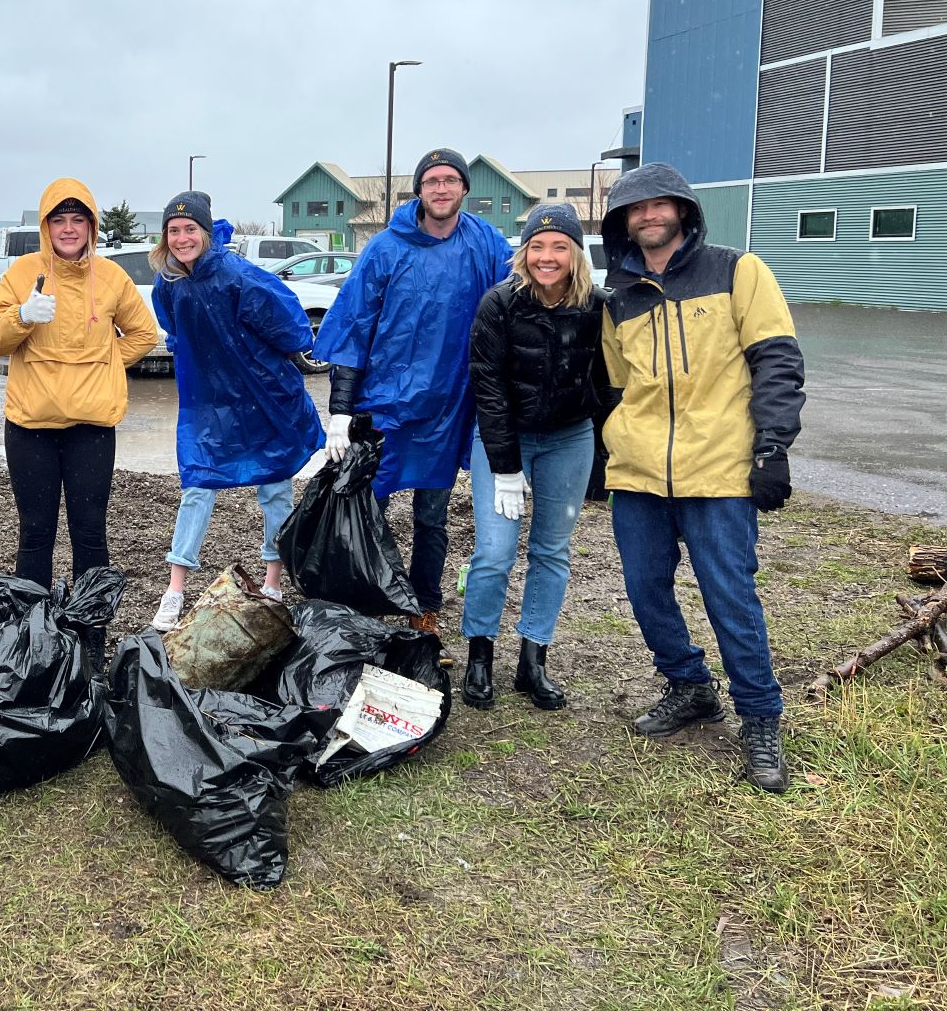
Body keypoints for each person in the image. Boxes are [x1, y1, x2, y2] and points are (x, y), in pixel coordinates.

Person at [599, 162, 805, 793]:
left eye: (660, 205)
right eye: (635, 209)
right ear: (622, 223)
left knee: (730, 596)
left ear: (683, 211)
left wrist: (772, 448)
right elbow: (614, 390)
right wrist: (603, 459)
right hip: (637, 474)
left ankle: (760, 717)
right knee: (645, 590)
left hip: (718, 468)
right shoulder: (620, 298)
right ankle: (689, 685)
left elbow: (777, 360)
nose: (648, 216)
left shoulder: (738, 271)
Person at [314, 148, 512, 642]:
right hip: (384, 409)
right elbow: (355, 325)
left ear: (465, 189)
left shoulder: (485, 243)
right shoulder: (385, 249)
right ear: (419, 190)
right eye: (432, 180)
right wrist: (340, 409)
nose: (441, 189)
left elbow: (517, 305)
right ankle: (361, 603)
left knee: (432, 518)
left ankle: (424, 608)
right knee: (366, 514)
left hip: (448, 409)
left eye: (451, 180)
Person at [147, 193, 324, 631]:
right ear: (165, 237)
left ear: (206, 233)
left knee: (274, 490)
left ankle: (274, 583)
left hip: (265, 398)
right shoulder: (167, 284)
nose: (182, 237)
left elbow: (293, 330)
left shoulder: (239, 277)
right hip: (210, 405)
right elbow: (174, 330)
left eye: (190, 229)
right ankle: (175, 589)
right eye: (174, 230)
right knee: (197, 486)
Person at [460, 204, 608, 712]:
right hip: (505, 438)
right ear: (524, 252)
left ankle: (532, 659)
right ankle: (480, 654)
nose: (548, 257)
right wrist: (504, 468)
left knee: (551, 551)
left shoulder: (596, 307)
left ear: (575, 254)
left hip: (570, 439)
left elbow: (608, 384)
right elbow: (489, 390)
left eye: (559, 246)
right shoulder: (499, 305)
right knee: (495, 552)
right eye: (537, 247)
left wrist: (605, 458)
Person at [0, 178, 159, 587]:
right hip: (31, 425)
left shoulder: (111, 276)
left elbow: (144, 334)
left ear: (91, 226)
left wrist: (106, 366)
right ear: (46, 225)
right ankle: (33, 630)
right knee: (36, 533)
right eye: (58, 219)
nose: (68, 229)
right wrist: (22, 316)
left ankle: (89, 632)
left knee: (91, 532)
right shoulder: (23, 272)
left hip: (92, 427)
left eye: (78, 220)